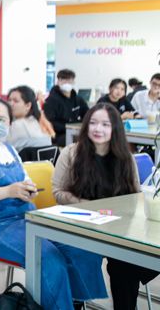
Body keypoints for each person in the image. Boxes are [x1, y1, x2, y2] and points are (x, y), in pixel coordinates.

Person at [0, 99, 106, 310]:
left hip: (27, 217)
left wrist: (28, 189)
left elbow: (24, 181)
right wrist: (8, 191)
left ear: (9, 124)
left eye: (1, 119)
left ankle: (73, 302)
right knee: (46, 257)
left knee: (81, 247)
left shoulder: (8, 150)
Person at [52, 103, 157, 309]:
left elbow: (135, 195)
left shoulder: (125, 157)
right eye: (93, 123)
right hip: (81, 225)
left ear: (115, 128)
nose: (97, 129)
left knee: (127, 263)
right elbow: (58, 193)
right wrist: (89, 206)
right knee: (107, 260)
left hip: (118, 228)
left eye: (105, 124)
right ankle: (76, 300)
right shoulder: (71, 153)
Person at [43, 69, 89, 147]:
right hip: (58, 135)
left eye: (69, 80)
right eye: (63, 80)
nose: (67, 83)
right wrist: (68, 127)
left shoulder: (78, 99)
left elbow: (87, 114)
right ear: (58, 81)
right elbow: (50, 122)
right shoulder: (51, 100)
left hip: (76, 130)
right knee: (79, 140)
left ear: (73, 82)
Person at [6, 85, 53, 151]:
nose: (10, 104)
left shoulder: (17, 125)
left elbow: (0, 145)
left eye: (16, 101)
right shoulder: (42, 123)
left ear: (28, 105)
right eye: (9, 100)